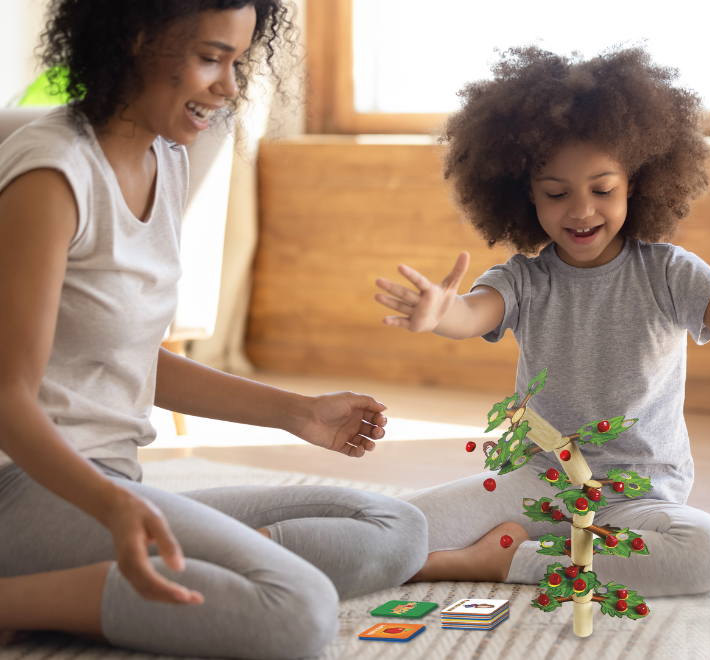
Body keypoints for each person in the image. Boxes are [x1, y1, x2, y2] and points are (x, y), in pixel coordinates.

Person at [374, 46, 710, 596]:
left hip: (637, 500)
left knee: (709, 553)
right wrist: (439, 313)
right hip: (535, 484)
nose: (581, 211)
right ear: (525, 194)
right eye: (556, 193)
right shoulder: (524, 279)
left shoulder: (670, 273)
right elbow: (471, 313)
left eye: (602, 189)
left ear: (637, 183)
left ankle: (509, 562)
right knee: (388, 525)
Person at [0, 2, 427, 658]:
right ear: (135, 37)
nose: (229, 87)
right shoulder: (53, 175)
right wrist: (111, 508)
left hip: (113, 480)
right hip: (21, 489)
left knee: (392, 526)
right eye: (209, 58)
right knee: (298, 613)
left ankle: (139, 582)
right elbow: (8, 400)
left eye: (237, 61)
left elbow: (130, 354)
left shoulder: (165, 155)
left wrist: (298, 413)